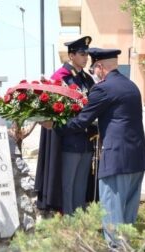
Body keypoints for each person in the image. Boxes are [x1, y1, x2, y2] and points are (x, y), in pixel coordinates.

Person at [41, 47, 145, 246]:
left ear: (100, 67)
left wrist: (55, 126)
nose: (94, 73)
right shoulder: (132, 86)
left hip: (116, 159)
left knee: (111, 208)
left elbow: (82, 121)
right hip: (138, 157)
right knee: (128, 212)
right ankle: (125, 246)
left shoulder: (103, 88)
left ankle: (116, 248)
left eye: (94, 69)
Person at [35, 36, 97, 215]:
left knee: (81, 183)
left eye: (87, 54)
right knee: (68, 184)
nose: (86, 57)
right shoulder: (60, 78)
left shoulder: (86, 78)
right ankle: (69, 220)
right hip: (68, 140)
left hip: (85, 139)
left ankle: (80, 219)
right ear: (71, 56)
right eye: (81, 53)